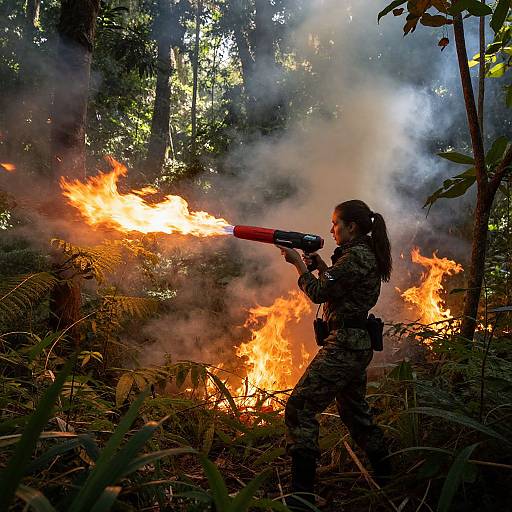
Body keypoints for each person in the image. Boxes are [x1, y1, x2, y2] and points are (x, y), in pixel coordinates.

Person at [278, 199, 392, 509]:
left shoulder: (355, 257)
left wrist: (299, 266)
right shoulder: (360, 256)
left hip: (345, 345)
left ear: (351, 227)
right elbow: (337, 285)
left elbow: (319, 292)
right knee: (355, 414)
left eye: (336, 224)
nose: (332, 229)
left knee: (300, 408)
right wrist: (321, 267)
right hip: (354, 344)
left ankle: (300, 497)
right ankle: (390, 477)